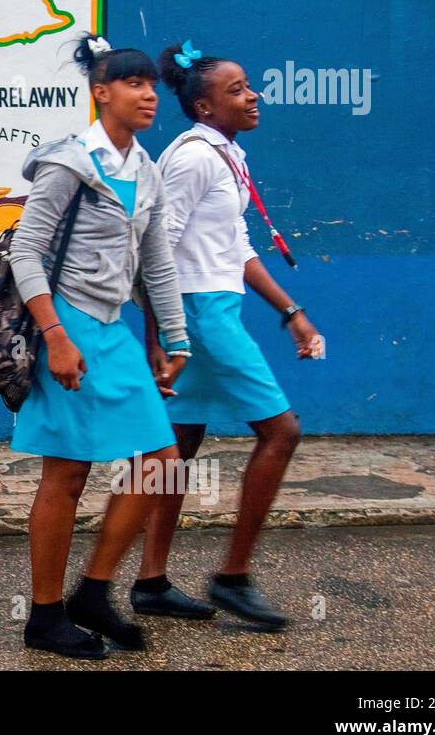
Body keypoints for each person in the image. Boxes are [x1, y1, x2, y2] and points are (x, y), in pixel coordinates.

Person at [9, 33, 192, 659]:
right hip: (68, 324)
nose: (148, 96)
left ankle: (93, 592)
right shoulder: (70, 162)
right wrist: (55, 337)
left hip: (114, 330)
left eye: (152, 86)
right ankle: (44, 614)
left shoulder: (145, 168)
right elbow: (25, 252)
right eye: (134, 84)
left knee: (161, 460)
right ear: (101, 93)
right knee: (68, 472)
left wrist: (173, 337)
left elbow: (157, 264)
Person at [132, 40, 323, 631]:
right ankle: (233, 576)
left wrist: (289, 309)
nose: (253, 94)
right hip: (197, 313)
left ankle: (150, 583)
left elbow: (233, 247)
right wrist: (159, 334)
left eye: (249, 85)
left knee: (180, 446)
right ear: (206, 108)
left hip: (209, 305)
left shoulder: (223, 154)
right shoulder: (193, 158)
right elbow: (152, 246)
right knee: (281, 431)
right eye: (237, 89)